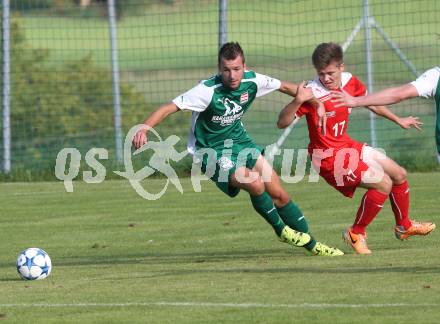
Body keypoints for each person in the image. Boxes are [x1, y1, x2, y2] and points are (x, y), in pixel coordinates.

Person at [133, 42, 343, 256]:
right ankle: (281, 230)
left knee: (279, 192)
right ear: (219, 68)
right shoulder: (206, 91)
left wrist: (317, 103)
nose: (232, 75)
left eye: (236, 69)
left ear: (244, 66)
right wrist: (145, 128)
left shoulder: (253, 80)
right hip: (210, 151)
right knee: (253, 181)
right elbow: (169, 107)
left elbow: (287, 87)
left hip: (239, 141)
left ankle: (313, 245)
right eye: (226, 70)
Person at [277, 42, 435, 254]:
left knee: (399, 174)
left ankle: (404, 226)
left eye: (331, 73)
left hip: (346, 145)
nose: (326, 78)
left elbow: (370, 102)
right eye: (321, 74)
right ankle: (355, 233)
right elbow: (282, 122)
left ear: (341, 67)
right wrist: (297, 100)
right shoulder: (312, 94)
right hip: (328, 158)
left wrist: (398, 119)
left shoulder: (350, 81)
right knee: (383, 184)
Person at [330, 67, 440, 164]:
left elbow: (397, 95)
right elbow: (397, 95)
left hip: (337, 148)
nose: (326, 78)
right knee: (395, 177)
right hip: (328, 150)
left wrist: (355, 101)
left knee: (396, 176)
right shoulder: (435, 77)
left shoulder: (435, 76)